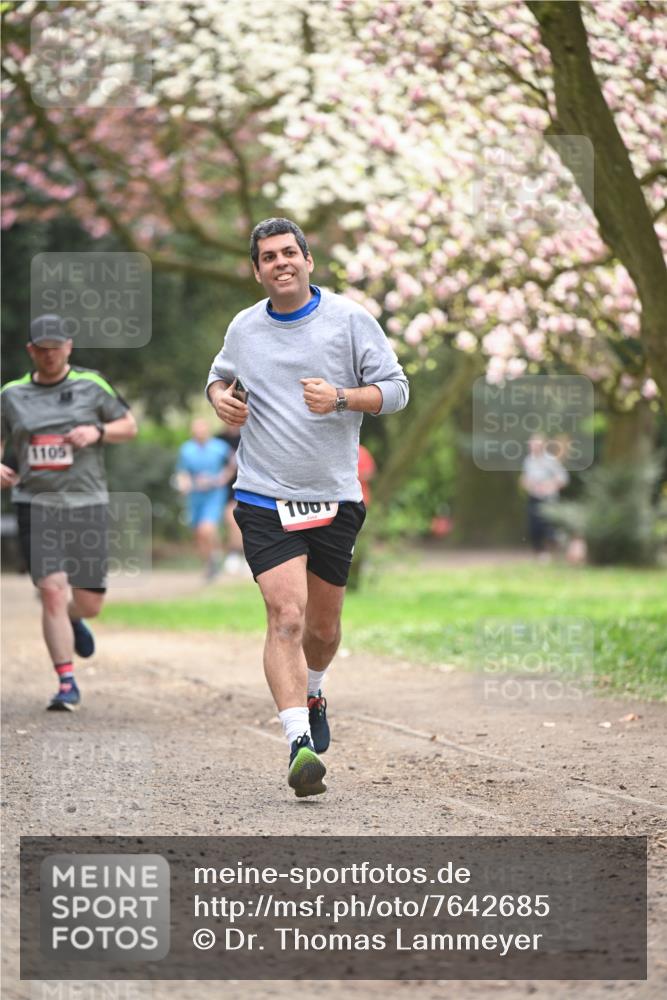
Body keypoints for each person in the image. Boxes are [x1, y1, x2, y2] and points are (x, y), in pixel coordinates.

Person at [206, 217, 409, 798]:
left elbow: (396, 391)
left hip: (334, 496)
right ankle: (298, 743)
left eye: (289, 252)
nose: (281, 263)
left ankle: (314, 689)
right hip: (263, 495)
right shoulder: (245, 327)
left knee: (322, 628)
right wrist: (222, 401)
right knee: (286, 616)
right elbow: (218, 378)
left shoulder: (350, 320)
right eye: (268, 256)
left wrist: (343, 397)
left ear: (308, 260)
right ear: (257, 270)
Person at [0, 314, 137, 710]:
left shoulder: (91, 385)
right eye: (42, 349)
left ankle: (75, 619)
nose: (50, 355)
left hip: (86, 503)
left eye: (56, 348)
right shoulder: (11, 394)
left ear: (69, 347)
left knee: (89, 602)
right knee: (52, 591)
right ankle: (66, 683)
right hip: (35, 504)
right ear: (31, 351)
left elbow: (129, 426)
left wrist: (98, 432)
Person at [175, 418, 235, 579]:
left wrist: (223, 478)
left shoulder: (219, 447)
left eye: (202, 428)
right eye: (196, 429)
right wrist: (184, 483)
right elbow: (182, 472)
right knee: (199, 534)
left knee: (206, 528)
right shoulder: (186, 449)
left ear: (207, 430)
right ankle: (210, 562)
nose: (199, 432)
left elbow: (233, 462)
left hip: (214, 494)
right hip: (195, 496)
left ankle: (215, 558)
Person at [519, 433, 569, 559]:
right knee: (534, 526)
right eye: (532, 444)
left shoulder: (550, 460)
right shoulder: (528, 460)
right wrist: (526, 483)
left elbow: (563, 478)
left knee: (549, 526)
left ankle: (553, 551)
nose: (534, 447)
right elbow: (526, 478)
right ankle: (539, 552)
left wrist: (550, 485)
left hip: (548, 499)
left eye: (537, 444)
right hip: (534, 497)